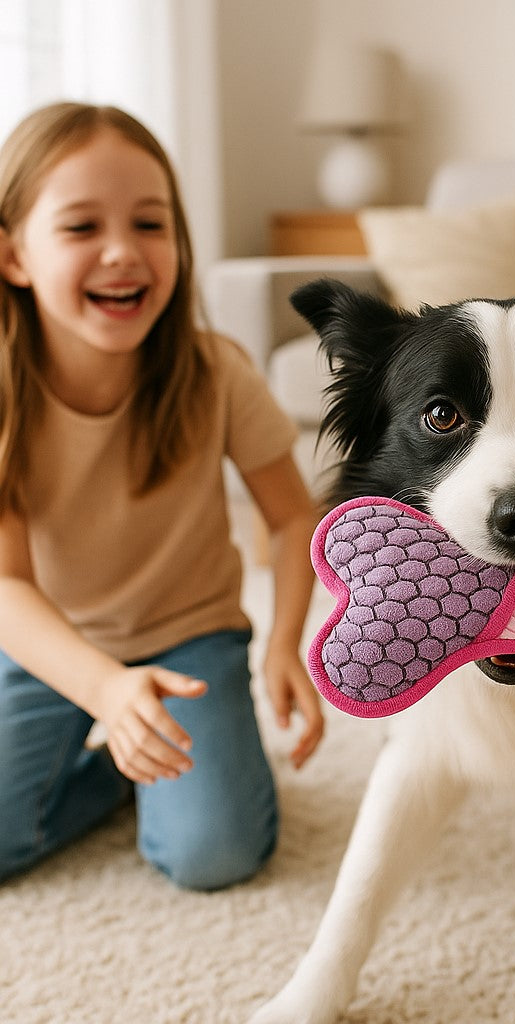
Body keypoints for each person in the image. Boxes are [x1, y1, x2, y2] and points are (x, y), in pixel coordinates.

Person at [0, 102, 324, 890]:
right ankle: (120, 766)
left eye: (151, 224)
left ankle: (145, 759)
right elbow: (6, 584)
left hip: (191, 641)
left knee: (214, 854)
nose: (122, 252)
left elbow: (293, 519)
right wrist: (105, 690)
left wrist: (285, 643)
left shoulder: (216, 372)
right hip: (52, 644)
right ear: (13, 256)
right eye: (81, 228)